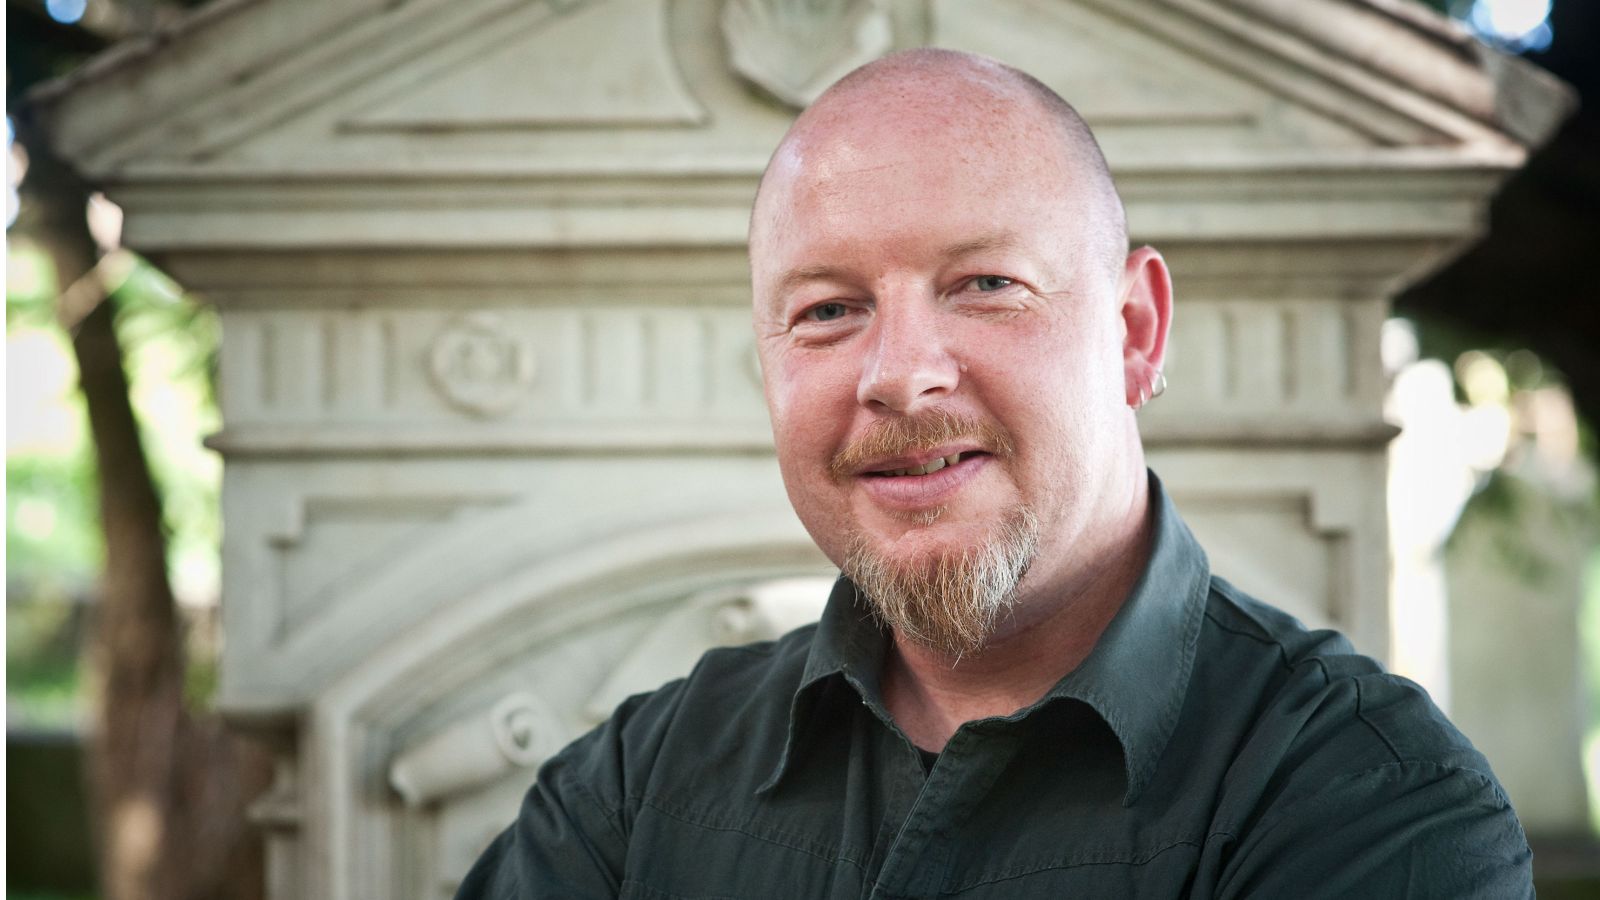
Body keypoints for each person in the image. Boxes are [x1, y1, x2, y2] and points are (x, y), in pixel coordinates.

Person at [457, 49, 1531, 898]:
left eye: (983, 284)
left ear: (1134, 332)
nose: (898, 376)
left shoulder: (1370, 803)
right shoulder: (635, 788)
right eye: (828, 309)